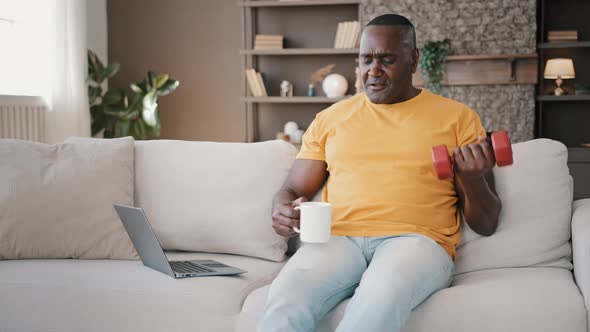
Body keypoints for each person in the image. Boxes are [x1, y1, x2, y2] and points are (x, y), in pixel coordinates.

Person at [258, 13, 501, 332]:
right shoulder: (331, 119)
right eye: (366, 59)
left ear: (413, 60)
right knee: (287, 297)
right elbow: (291, 188)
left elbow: (487, 222)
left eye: (387, 59)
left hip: (415, 242)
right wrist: (282, 209)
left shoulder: (458, 119)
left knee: (379, 296)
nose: (373, 71)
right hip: (338, 239)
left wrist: (471, 179)